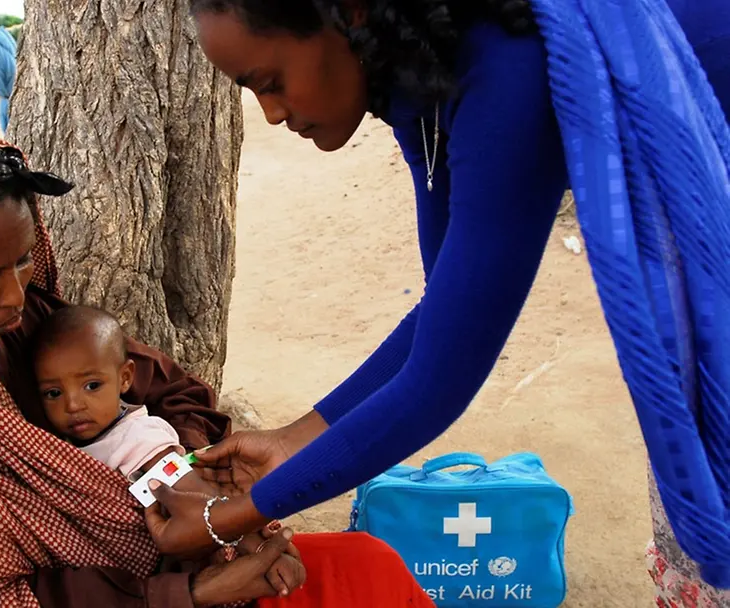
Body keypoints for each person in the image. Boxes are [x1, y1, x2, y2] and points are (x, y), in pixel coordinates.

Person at [138, 1, 730, 604]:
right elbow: (440, 310)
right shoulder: (418, 83)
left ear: (352, 14)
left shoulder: (504, 61)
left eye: (271, 83)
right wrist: (293, 442)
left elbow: (440, 380)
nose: (269, 113)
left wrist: (229, 517)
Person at [0, 117, 430, 607]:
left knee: (372, 568)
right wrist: (190, 591)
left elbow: (174, 396)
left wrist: (182, 481)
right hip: (160, 594)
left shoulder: (40, 326)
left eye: (24, 260)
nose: (13, 294)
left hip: (195, 564)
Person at [33, 305, 304, 597]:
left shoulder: (138, 439)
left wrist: (260, 550)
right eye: (54, 393)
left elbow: (198, 498)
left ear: (125, 378)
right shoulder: (65, 444)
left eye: (92, 385)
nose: (73, 405)